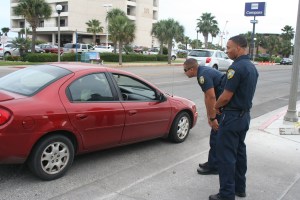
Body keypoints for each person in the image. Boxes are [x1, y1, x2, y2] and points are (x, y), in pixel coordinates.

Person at [209, 35, 259, 200]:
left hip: (231, 118)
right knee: (239, 153)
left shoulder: (235, 68)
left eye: (229, 47)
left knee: (226, 157)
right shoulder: (252, 67)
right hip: (244, 117)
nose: (227, 51)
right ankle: (239, 188)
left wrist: (215, 109)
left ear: (238, 48)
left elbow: (225, 96)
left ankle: (226, 194)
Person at [183, 58, 225, 175]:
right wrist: (209, 115)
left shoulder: (202, 76)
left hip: (222, 104)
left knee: (215, 135)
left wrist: (212, 118)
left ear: (192, 69)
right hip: (220, 102)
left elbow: (211, 97)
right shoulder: (203, 72)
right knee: (215, 135)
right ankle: (212, 162)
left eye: (185, 70)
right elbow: (207, 96)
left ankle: (214, 166)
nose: (184, 72)